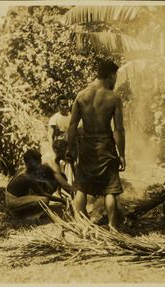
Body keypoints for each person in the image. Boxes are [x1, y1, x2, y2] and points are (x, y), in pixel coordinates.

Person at [66, 60, 126, 230]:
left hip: (86, 146)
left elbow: (72, 125)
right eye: (116, 77)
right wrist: (121, 154)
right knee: (110, 190)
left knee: (82, 187)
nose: (116, 81)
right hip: (105, 146)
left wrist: (71, 148)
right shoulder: (113, 98)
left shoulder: (81, 95)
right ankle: (112, 227)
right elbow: (119, 129)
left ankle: (80, 225)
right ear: (111, 76)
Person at [5, 149, 78, 220]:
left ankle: (20, 211)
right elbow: (43, 194)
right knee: (44, 200)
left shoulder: (22, 169)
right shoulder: (27, 177)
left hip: (12, 197)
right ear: (29, 163)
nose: (39, 165)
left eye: (39, 162)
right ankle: (24, 215)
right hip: (13, 201)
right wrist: (62, 200)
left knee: (44, 188)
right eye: (37, 163)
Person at [48, 98, 73, 181]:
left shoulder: (72, 117)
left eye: (67, 104)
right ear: (58, 106)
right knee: (58, 168)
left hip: (71, 145)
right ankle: (58, 191)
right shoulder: (55, 118)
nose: (66, 107)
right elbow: (50, 135)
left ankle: (74, 189)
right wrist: (52, 150)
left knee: (73, 166)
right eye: (63, 105)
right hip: (59, 146)